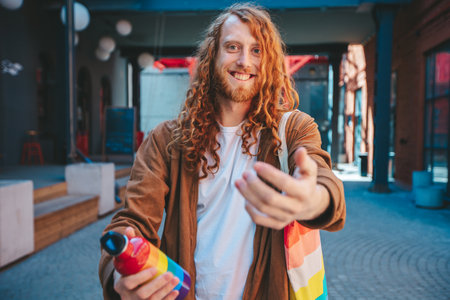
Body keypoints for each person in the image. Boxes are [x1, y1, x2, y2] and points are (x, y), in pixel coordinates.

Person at [99, 3, 346, 300]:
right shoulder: (165, 141)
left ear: (268, 63)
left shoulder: (294, 128)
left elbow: (323, 182)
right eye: (232, 47)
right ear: (212, 56)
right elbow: (133, 222)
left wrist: (311, 200)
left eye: (257, 51)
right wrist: (121, 274)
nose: (244, 61)